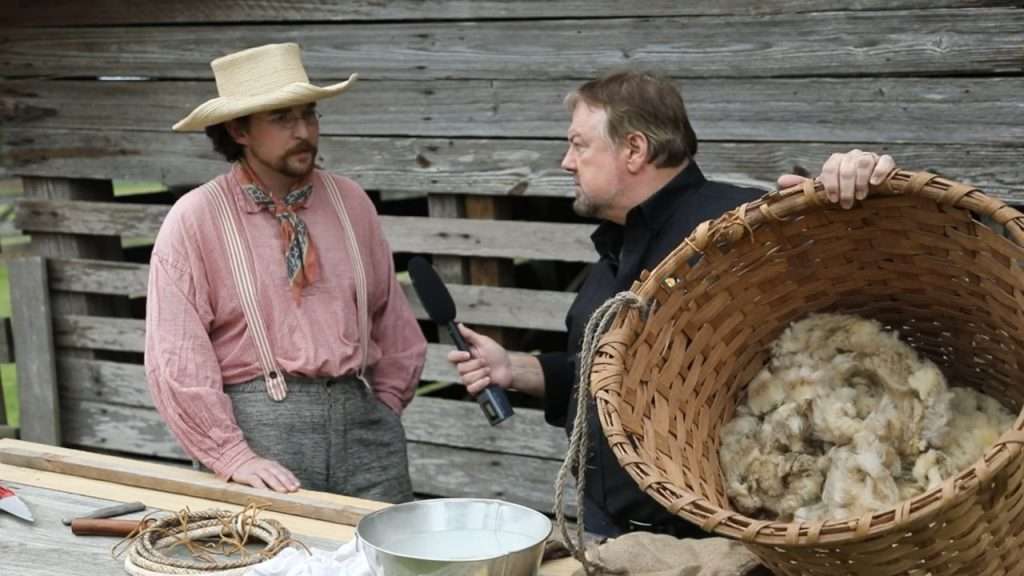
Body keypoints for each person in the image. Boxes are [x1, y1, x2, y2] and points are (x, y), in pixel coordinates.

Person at [447, 70, 895, 536]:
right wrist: (515, 371)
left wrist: (856, 183)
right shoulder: (612, 255)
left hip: (712, 548)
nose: (566, 162)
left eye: (579, 145)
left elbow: (856, 290)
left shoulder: (742, 229)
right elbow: (612, 375)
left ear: (635, 150)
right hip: (611, 536)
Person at [145, 43, 426, 502]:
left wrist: (385, 409)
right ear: (239, 130)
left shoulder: (351, 201)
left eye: (309, 115)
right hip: (260, 439)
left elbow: (392, 321)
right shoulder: (196, 218)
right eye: (282, 119)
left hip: (365, 429)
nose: (303, 132)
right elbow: (176, 359)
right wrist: (231, 455)